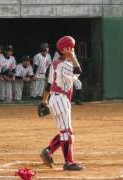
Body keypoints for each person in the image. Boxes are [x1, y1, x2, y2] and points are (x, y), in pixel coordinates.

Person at [39, 36, 84, 171]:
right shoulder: (65, 64)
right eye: (71, 48)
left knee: (65, 131)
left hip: (54, 99)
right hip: (61, 99)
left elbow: (48, 85)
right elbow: (78, 71)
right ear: (66, 49)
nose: (73, 51)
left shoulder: (54, 64)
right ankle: (69, 162)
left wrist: (44, 101)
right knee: (67, 132)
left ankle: (48, 151)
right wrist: (72, 57)